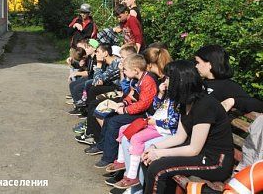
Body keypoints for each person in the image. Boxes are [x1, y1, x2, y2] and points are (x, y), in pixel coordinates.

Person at [141, 61, 235, 194]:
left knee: (158, 168)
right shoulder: (185, 103)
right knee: (147, 158)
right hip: (201, 155)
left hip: (215, 162)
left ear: (179, 81)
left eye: (168, 78)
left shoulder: (204, 105)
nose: (165, 82)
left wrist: (159, 154)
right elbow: (179, 137)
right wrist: (154, 148)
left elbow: (194, 149)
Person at [111, 60, 180, 190]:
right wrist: (160, 94)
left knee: (135, 139)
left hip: (163, 130)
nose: (164, 82)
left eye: (168, 79)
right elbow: (155, 107)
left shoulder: (177, 99)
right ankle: (123, 166)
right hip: (154, 124)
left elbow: (173, 122)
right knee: (124, 130)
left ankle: (133, 179)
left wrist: (156, 122)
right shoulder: (168, 95)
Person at [87, 54, 157, 169]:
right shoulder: (138, 79)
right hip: (136, 109)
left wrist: (125, 110)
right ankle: (102, 146)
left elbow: (143, 104)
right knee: (109, 117)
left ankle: (109, 157)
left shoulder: (147, 81)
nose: (123, 71)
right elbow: (132, 95)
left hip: (145, 114)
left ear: (135, 70)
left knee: (114, 122)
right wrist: (123, 103)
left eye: (125, 69)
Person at [194, 45, 263, 113]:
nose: (196, 66)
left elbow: (258, 105)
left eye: (198, 62)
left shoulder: (227, 86)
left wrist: (233, 101)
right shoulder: (202, 83)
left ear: (210, 64)